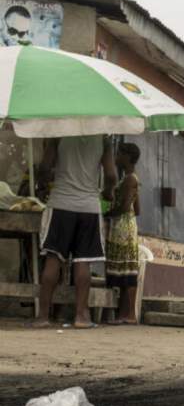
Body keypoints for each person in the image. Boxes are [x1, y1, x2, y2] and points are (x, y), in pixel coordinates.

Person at [35, 135, 117, 329]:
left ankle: (43, 316)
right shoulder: (103, 138)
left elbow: (45, 168)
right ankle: (81, 316)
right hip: (89, 207)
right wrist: (108, 191)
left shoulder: (59, 133)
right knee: (83, 263)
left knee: (53, 259)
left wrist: (42, 185)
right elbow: (112, 175)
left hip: (60, 204)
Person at [104, 143, 141, 325]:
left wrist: (108, 213)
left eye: (118, 154)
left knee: (125, 273)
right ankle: (127, 314)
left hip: (122, 228)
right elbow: (138, 209)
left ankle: (127, 315)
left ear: (127, 156)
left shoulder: (128, 180)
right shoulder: (132, 178)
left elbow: (126, 207)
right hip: (127, 226)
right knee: (126, 271)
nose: (116, 157)